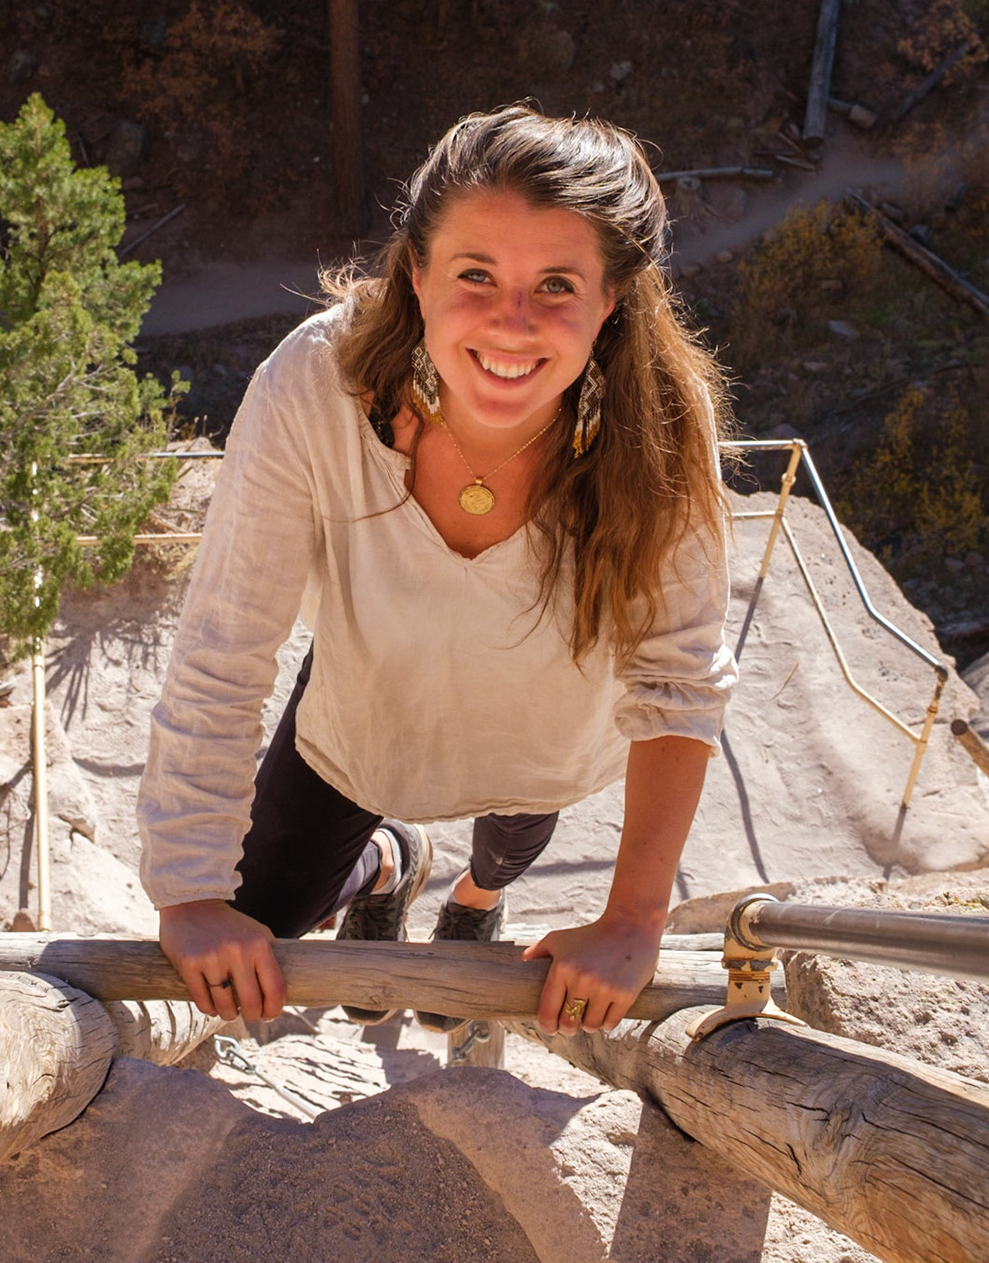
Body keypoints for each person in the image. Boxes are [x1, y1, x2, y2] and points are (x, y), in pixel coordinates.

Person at [136, 105, 736, 1040]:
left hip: (541, 744)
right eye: (475, 274)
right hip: (359, 718)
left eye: (556, 285)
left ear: (610, 298)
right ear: (416, 274)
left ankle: (473, 896)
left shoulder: (659, 418)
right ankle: (388, 862)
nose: (512, 321)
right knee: (265, 919)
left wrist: (632, 921)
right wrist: (189, 893)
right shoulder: (317, 385)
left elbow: (680, 679)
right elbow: (226, 643)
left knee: (503, 855)